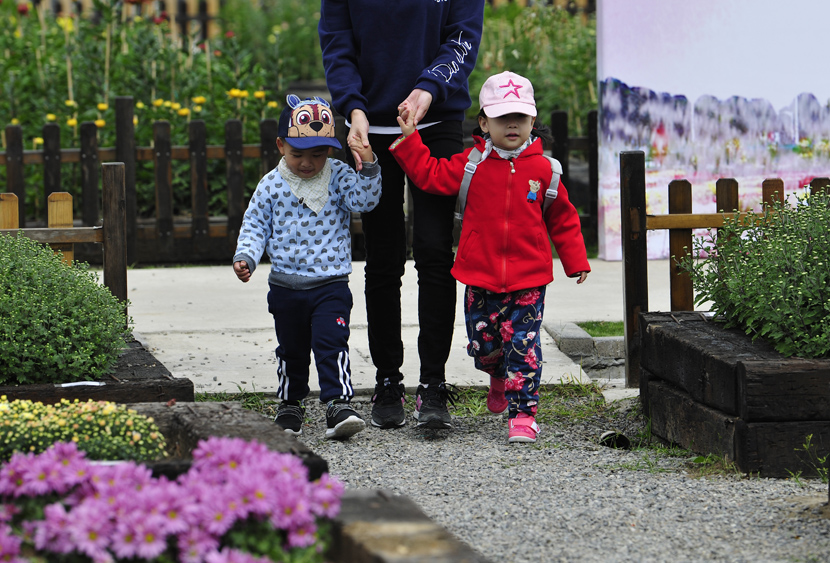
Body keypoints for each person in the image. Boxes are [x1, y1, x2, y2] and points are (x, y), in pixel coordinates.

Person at [390, 71, 591, 443]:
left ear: (532, 120)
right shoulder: (472, 165)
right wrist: (409, 141)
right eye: (502, 117)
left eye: (520, 116)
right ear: (484, 122)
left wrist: (575, 259)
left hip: (528, 281)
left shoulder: (546, 171)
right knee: (484, 349)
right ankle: (496, 374)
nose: (512, 124)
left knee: (524, 348)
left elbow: (562, 217)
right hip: (478, 278)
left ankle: (523, 415)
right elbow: (430, 176)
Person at [318, 0, 485, 430]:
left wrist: (428, 88)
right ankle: (388, 381)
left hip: (436, 121)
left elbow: (462, 37)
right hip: (370, 127)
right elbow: (338, 44)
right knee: (383, 256)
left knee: (434, 252)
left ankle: (433, 383)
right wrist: (353, 109)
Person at [232, 95, 382, 440]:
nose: (307, 163)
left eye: (317, 154)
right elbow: (255, 224)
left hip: (330, 284)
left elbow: (366, 201)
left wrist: (369, 161)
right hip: (285, 287)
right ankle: (290, 404)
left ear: (330, 149)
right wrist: (247, 256)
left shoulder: (340, 176)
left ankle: (338, 405)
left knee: (332, 344)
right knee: (291, 349)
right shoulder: (271, 185)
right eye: (297, 154)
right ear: (280, 145)